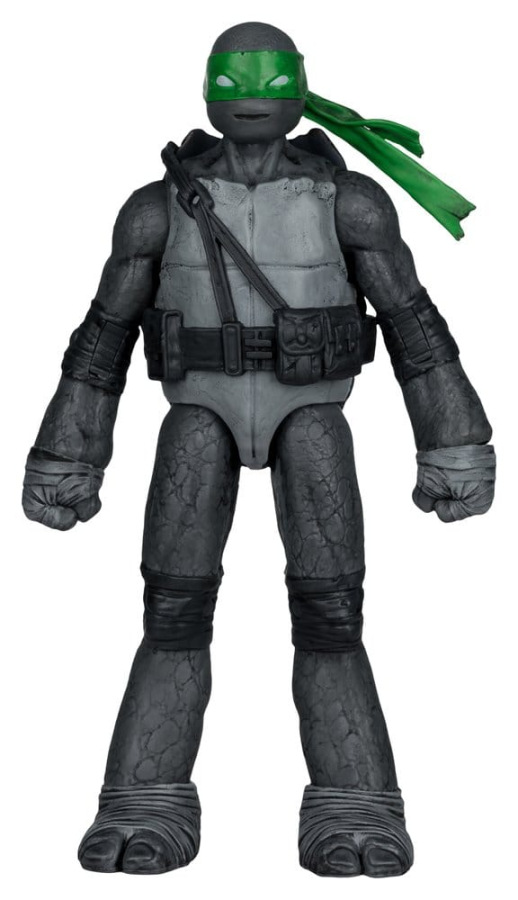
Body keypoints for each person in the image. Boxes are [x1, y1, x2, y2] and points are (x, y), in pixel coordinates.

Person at [22, 20, 495, 878]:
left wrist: (454, 438)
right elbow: (104, 337)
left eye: (268, 82)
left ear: (298, 93)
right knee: (171, 611)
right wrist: (68, 453)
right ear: (208, 92)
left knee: (331, 613)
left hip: (312, 414)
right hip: (197, 416)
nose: (250, 99)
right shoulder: (156, 208)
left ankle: (355, 801)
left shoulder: (350, 203)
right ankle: (144, 796)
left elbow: (413, 323)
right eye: (234, 82)